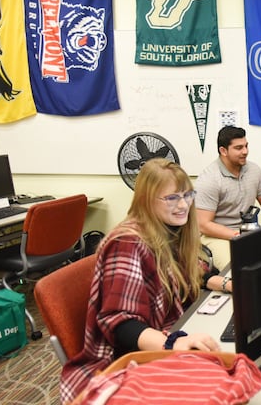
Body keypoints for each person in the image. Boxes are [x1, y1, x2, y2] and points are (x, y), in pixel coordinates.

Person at [60, 159, 227, 403]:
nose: (183, 205)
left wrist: (227, 284)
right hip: (124, 359)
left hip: (167, 333)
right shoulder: (127, 243)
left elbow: (195, 271)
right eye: (172, 198)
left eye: (187, 195)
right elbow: (120, 324)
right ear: (147, 200)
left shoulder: (170, 230)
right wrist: (173, 344)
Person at [195, 126, 261, 269]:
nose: (245, 152)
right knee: (241, 267)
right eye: (239, 148)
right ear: (223, 151)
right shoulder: (209, 179)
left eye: (246, 146)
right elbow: (204, 225)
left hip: (246, 231)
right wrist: (238, 235)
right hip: (216, 236)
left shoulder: (254, 170)